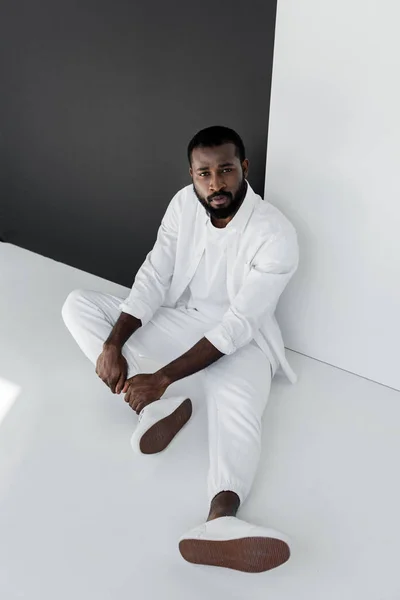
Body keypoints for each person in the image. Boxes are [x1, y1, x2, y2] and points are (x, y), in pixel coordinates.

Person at [61, 125, 299, 573]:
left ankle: (222, 520)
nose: (215, 184)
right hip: (185, 319)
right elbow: (154, 275)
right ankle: (153, 409)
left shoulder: (275, 234)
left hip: (245, 340)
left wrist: (163, 376)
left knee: (237, 410)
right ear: (191, 174)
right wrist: (115, 342)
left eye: (226, 170)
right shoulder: (182, 205)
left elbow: (238, 325)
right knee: (78, 306)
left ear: (244, 168)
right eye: (204, 173)